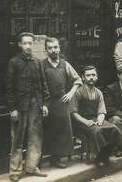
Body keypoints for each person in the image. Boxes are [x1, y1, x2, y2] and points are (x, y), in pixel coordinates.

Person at [5, 32, 50, 181]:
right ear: (20, 45)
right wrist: (12, 108)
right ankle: (15, 171)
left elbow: (44, 84)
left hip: (35, 105)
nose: (28, 46)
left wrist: (44, 104)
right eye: (25, 43)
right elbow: (9, 88)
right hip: (20, 106)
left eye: (30, 43)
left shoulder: (38, 62)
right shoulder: (14, 62)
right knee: (17, 138)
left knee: (36, 136)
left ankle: (31, 167)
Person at [70, 65, 122, 166]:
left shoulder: (99, 92)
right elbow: (74, 113)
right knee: (97, 131)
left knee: (112, 127)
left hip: (95, 119)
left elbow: (101, 110)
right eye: (88, 75)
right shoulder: (78, 92)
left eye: (93, 75)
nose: (91, 77)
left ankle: (107, 154)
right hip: (80, 122)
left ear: (97, 77)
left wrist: (100, 120)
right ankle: (97, 157)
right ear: (83, 77)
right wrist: (86, 122)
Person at [42, 37, 82, 168]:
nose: (53, 50)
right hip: (47, 103)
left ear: (59, 48)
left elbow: (78, 81)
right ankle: (51, 158)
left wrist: (70, 94)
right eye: (50, 48)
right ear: (46, 50)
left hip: (62, 102)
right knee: (50, 130)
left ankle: (60, 158)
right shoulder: (42, 65)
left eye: (55, 47)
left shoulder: (65, 64)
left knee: (63, 130)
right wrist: (43, 104)